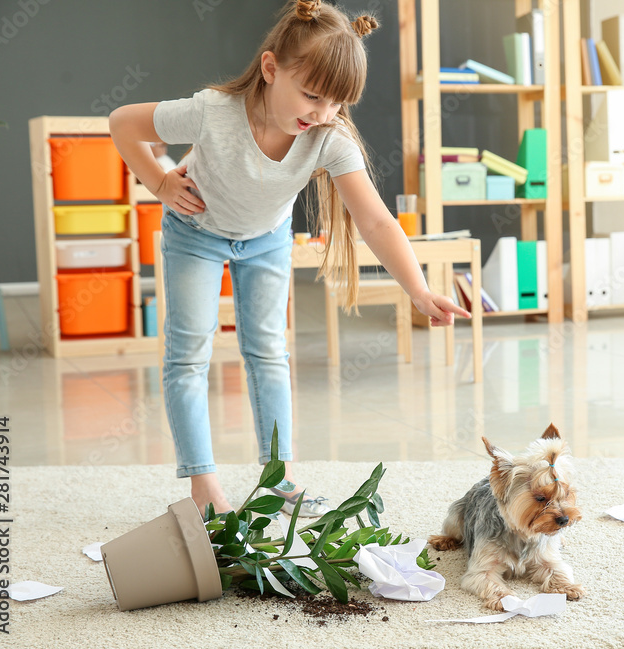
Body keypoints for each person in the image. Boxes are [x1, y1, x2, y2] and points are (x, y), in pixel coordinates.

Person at [109, 0, 469, 517]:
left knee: (269, 355)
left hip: (265, 239)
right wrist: (161, 182)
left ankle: (278, 479)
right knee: (188, 355)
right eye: (313, 96)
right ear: (271, 68)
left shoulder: (328, 137)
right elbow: (123, 122)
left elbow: (376, 221)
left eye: (336, 104)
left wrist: (417, 289)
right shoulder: (212, 111)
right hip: (195, 233)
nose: (321, 114)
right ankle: (202, 484)